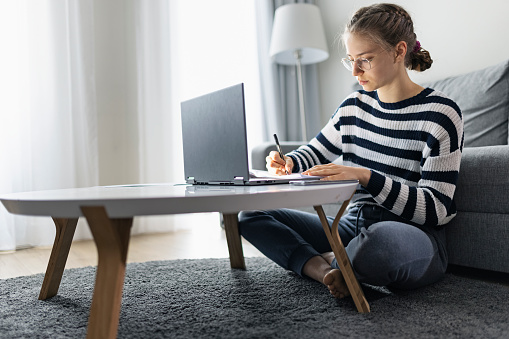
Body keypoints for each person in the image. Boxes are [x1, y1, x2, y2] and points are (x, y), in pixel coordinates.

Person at [239, 3, 464, 299]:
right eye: (350, 60)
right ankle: (325, 271)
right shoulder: (353, 108)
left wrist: (366, 176)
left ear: (399, 51)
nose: (356, 71)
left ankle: (340, 261)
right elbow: (313, 153)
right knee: (248, 214)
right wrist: (288, 162)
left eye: (365, 60)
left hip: (412, 235)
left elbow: (436, 209)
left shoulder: (441, 114)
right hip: (351, 226)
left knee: (379, 243)